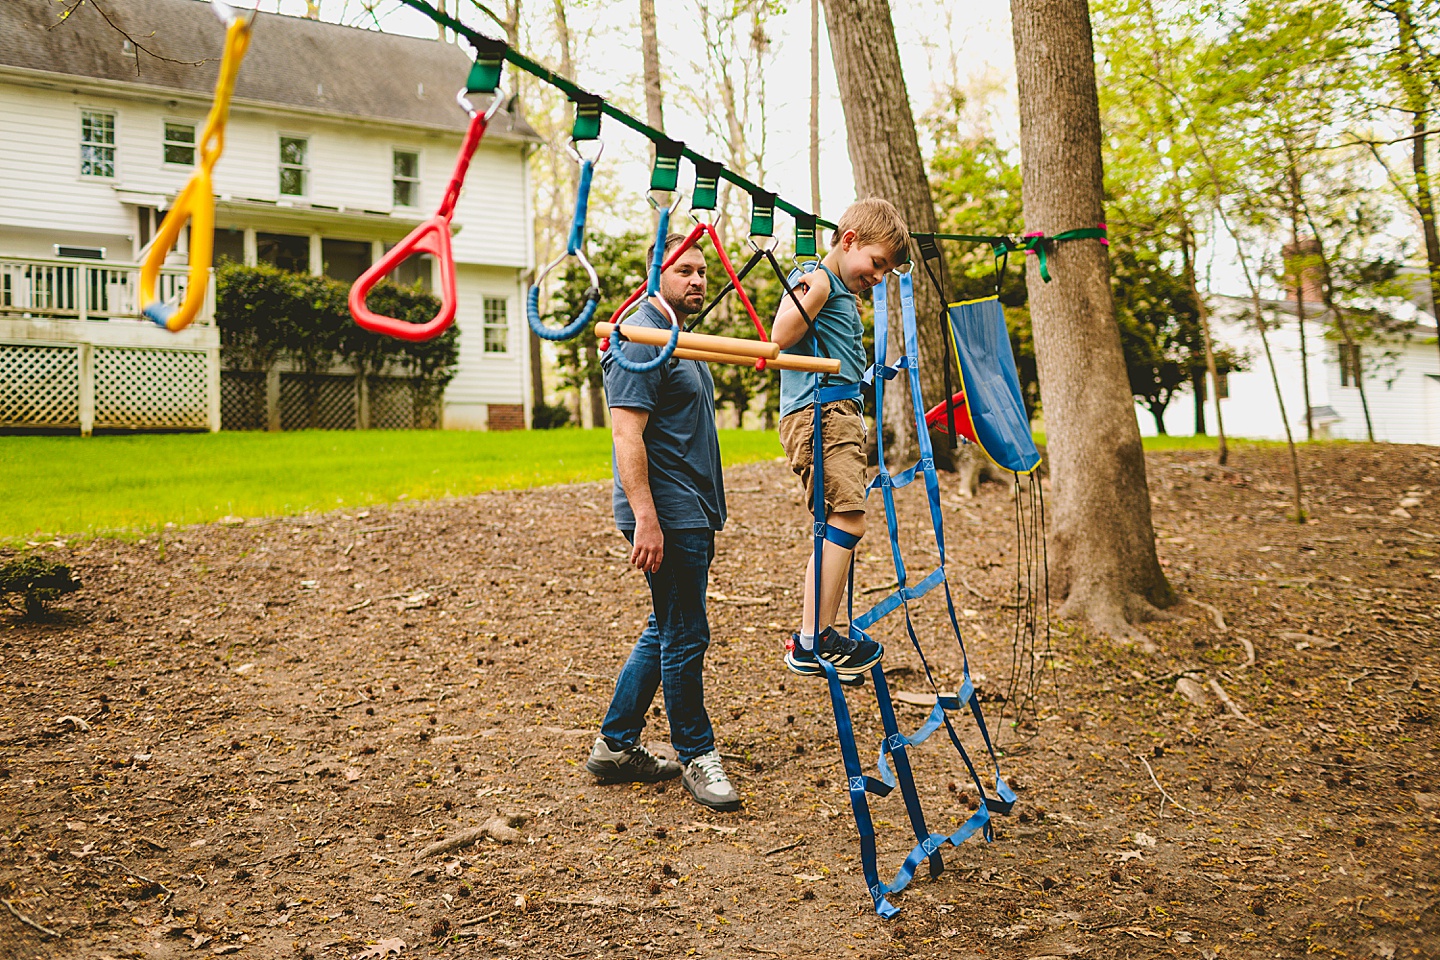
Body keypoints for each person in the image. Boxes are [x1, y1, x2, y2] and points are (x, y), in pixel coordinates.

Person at [583, 234, 740, 812]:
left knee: (667, 625)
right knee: (685, 634)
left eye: (702, 271)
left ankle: (615, 745)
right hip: (666, 515)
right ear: (655, 274)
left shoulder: (677, 336)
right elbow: (627, 435)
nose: (697, 280)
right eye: (685, 271)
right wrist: (646, 518)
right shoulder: (637, 339)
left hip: (690, 510)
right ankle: (697, 754)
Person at [769, 198, 910, 681]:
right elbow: (781, 334)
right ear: (849, 241)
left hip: (837, 411)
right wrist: (811, 292)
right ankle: (813, 637)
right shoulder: (821, 279)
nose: (878, 276)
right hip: (819, 412)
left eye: (886, 271)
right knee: (846, 521)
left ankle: (817, 632)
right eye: (876, 264)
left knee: (842, 522)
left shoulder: (840, 288)